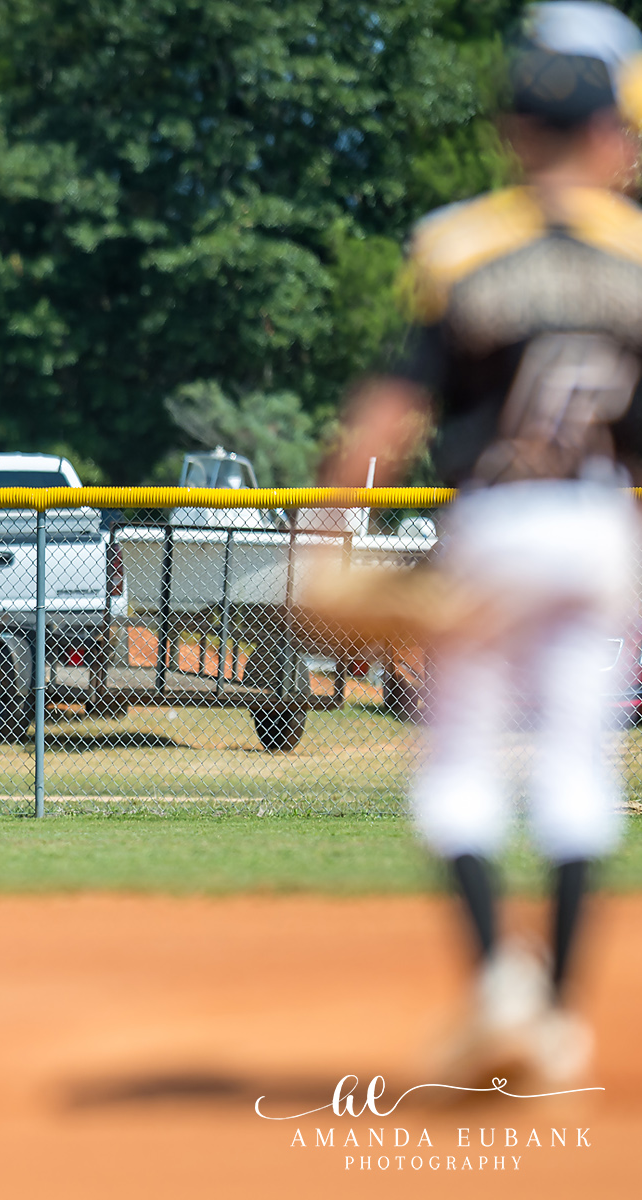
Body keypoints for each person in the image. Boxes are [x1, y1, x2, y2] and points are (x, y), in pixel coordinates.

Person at [322, 1, 642, 1086]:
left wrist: (329, 537)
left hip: (496, 522)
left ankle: (498, 978)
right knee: (578, 762)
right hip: (599, 523)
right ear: (606, 133)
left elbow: (385, 414)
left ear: (510, 131)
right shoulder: (636, 254)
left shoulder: (461, 244)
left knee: (460, 756)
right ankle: (556, 1018)